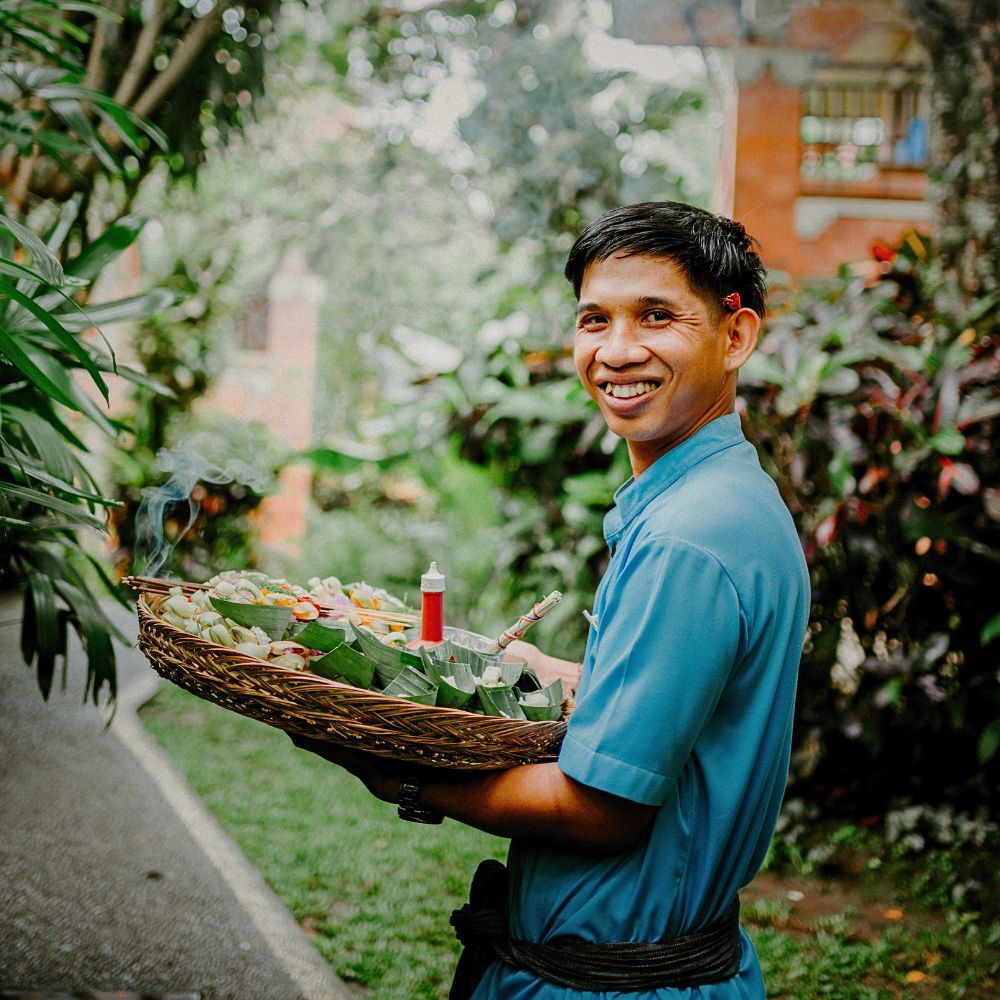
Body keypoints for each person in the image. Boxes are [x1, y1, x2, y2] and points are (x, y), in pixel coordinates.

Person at [292, 201, 810, 999]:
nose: (617, 350)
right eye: (593, 319)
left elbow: (603, 810)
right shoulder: (726, 498)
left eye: (657, 317)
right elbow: (691, 718)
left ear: (735, 336)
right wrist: (554, 673)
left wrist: (398, 774)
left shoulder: (687, 536)